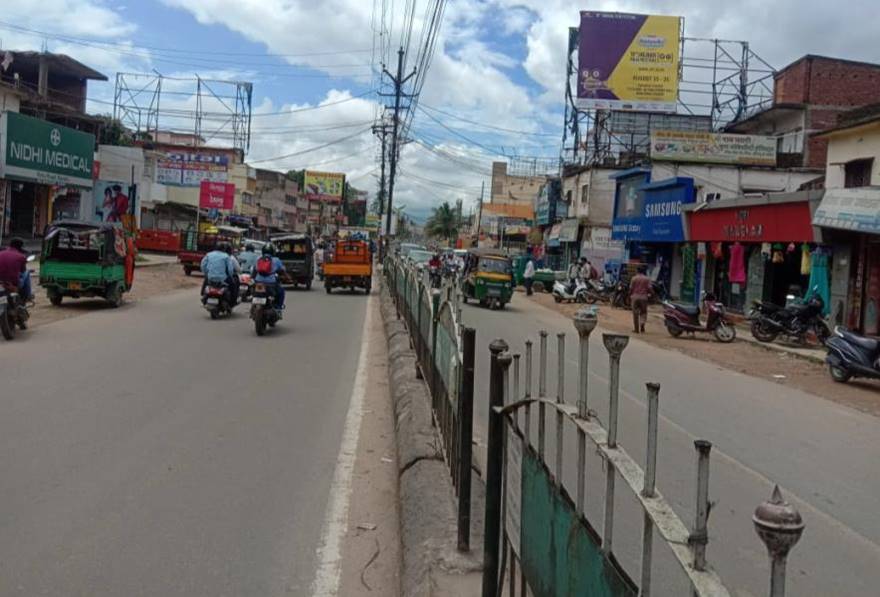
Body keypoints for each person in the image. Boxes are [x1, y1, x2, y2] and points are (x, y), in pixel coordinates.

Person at [253, 244, 286, 309]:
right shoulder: (276, 260)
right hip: (270, 283)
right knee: (281, 291)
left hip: (258, 282)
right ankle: (279, 308)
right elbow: (283, 270)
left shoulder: (258, 258)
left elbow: (254, 270)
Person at [629, 265, 653, 334]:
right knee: (643, 312)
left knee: (635, 314)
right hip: (644, 298)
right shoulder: (647, 279)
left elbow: (631, 289)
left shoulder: (634, 278)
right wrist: (653, 295)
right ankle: (642, 325)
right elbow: (650, 289)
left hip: (635, 297)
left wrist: (629, 295)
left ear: (637, 271)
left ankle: (636, 329)